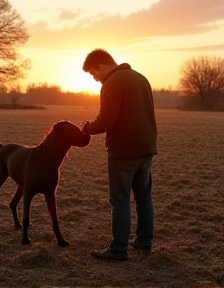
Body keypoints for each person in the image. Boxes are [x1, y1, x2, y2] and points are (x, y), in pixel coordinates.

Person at [80, 48, 158, 261]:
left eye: (93, 74)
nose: (95, 79)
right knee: (144, 197)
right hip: (147, 148)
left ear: (102, 66)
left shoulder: (112, 83)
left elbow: (107, 120)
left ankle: (119, 249)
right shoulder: (141, 79)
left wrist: (87, 127)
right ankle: (144, 241)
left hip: (124, 151)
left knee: (120, 200)